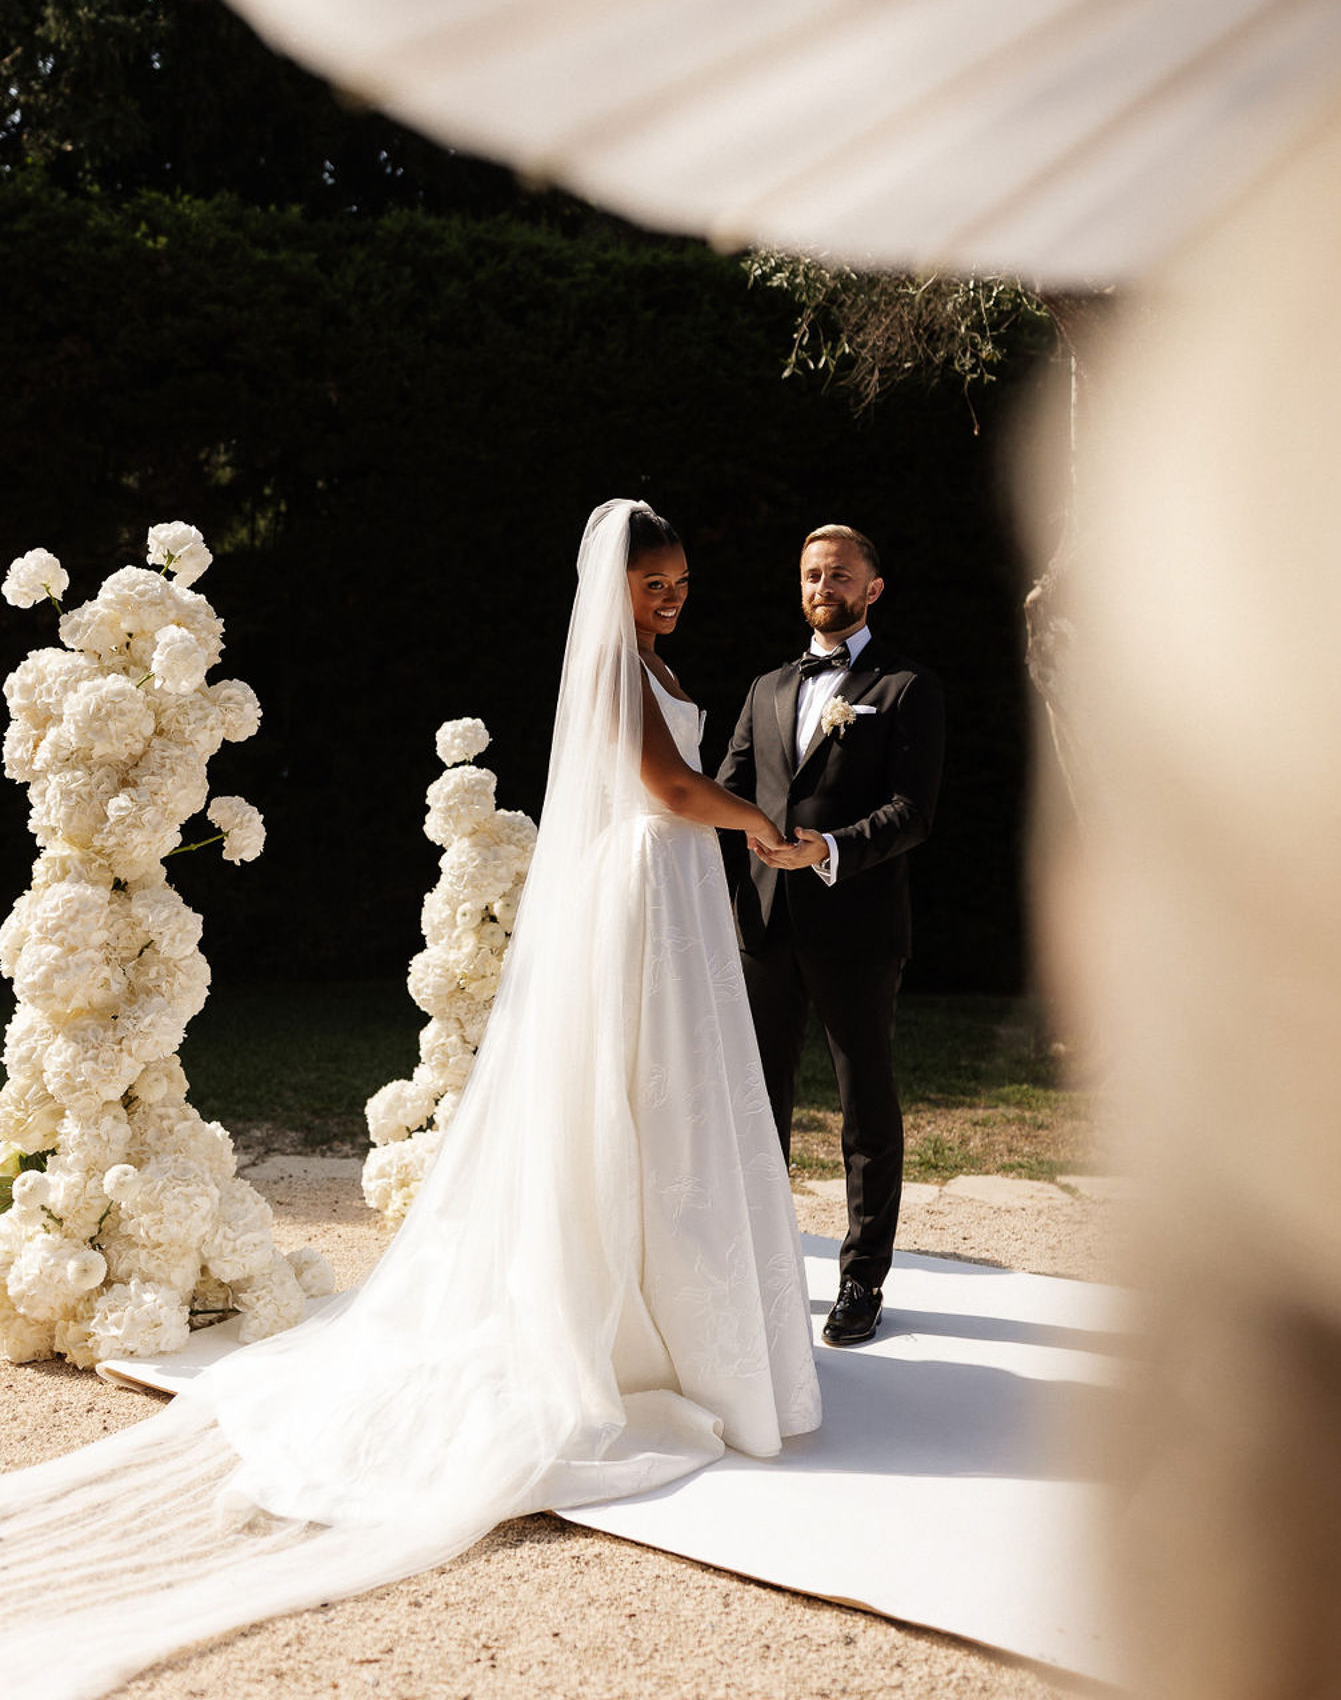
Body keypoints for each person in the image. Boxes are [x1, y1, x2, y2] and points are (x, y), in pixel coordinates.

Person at [0, 500, 819, 1700]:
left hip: (670, 887)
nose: (673, 598)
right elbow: (664, 786)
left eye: (683, 582)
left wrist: (729, 821)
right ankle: (641, 1324)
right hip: (651, 886)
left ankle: (690, 1313)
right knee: (644, 1091)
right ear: (617, 584)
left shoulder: (657, 663)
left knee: (683, 1099)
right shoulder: (617, 670)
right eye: (658, 582)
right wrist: (756, 821)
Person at [718, 524, 944, 1348]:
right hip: (764, 926)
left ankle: (860, 1279)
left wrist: (831, 850)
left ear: (872, 588)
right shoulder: (766, 687)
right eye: (812, 574)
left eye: (840, 574)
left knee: (864, 1109)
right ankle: (760, 1265)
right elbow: (728, 788)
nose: (824, 585)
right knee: (755, 1104)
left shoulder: (907, 685)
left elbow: (912, 812)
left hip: (857, 926)